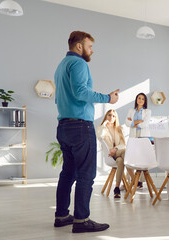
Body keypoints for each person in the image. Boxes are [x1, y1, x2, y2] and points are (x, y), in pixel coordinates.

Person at [54, 31, 117, 233]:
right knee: (86, 174)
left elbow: (63, 97)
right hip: (80, 126)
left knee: (68, 174)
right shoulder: (79, 63)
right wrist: (108, 98)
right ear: (79, 46)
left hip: (64, 125)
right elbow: (81, 92)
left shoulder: (61, 65)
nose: (92, 50)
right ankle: (81, 220)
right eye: (90, 46)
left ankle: (62, 215)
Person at [96, 110, 127, 198]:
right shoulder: (101, 128)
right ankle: (134, 178)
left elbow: (123, 144)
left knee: (121, 160)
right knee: (126, 153)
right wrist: (104, 124)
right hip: (109, 155)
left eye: (113, 116)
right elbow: (100, 137)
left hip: (118, 153)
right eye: (109, 115)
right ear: (106, 116)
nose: (111, 117)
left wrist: (115, 148)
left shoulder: (119, 129)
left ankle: (116, 188)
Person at [125, 93, 151, 189]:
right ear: (136, 100)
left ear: (145, 101)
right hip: (133, 136)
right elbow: (127, 123)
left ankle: (140, 181)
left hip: (143, 136)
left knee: (141, 158)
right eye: (139, 98)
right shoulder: (131, 111)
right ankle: (132, 179)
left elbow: (146, 124)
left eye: (143, 99)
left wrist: (133, 123)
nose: (140, 100)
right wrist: (138, 121)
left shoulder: (148, 111)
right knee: (131, 158)